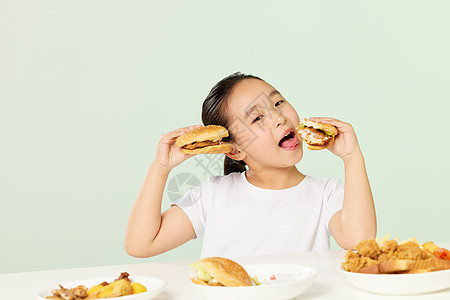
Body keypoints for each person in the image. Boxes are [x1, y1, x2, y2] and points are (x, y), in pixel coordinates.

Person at [125, 72, 376, 259]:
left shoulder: (325, 193)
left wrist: (352, 157)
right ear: (234, 149)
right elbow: (141, 244)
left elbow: (358, 239)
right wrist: (161, 167)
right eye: (257, 118)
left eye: (278, 103)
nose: (279, 118)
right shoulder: (213, 195)